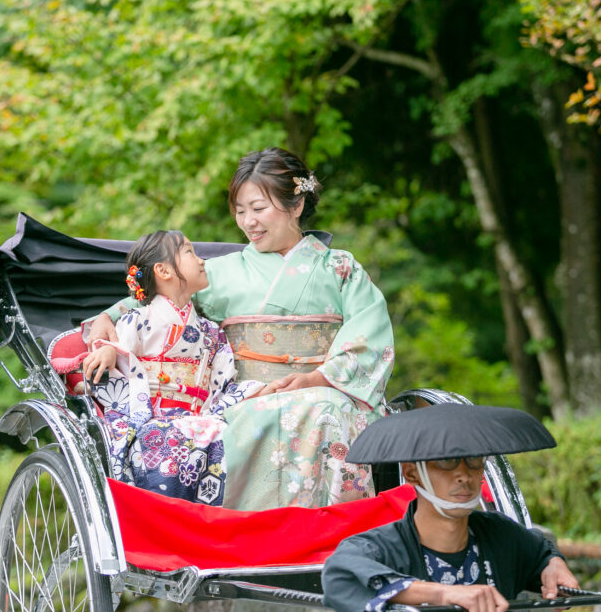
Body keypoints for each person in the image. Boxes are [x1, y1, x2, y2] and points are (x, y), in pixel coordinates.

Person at [86, 148, 395, 510]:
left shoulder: (339, 268)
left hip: (327, 389)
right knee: (310, 412)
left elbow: (369, 335)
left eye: (258, 208)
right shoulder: (220, 273)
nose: (248, 222)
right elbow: (155, 300)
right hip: (248, 400)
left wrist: (317, 379)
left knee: (328, 408)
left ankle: (338, 525)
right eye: (240, 211)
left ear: (296, 205)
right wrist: (107, 318)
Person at [321, 449, 579, 612]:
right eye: (447, 461)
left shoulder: (500, 535)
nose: (464, 475)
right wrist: (444, 593)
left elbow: (541, 552)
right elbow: (339, 576)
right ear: (411, 473)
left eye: (473, 460)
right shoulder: (374, 547)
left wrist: (553, 564)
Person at [81, 230, 262, 505]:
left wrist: (253, 392)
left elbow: (223, 384)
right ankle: (165, 517)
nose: (201, 260)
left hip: (201, 416)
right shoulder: (136, 320)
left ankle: (210, 522)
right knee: (169, 435)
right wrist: (110, 350)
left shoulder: (211, 331)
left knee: (228, 435)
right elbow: (121, 360)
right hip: (150, 416)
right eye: (189, 252)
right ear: (163, 271)